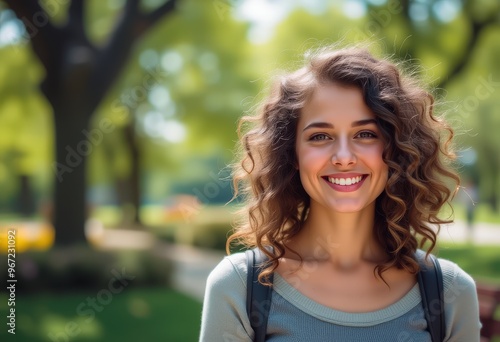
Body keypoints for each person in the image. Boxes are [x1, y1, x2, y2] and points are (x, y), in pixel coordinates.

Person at [199, 46, 481, 341]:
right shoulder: (239, 288)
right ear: (292, 154)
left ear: (395, 149)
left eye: (366, 134)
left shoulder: (450, 291)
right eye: (320, 136)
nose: (344, 157)